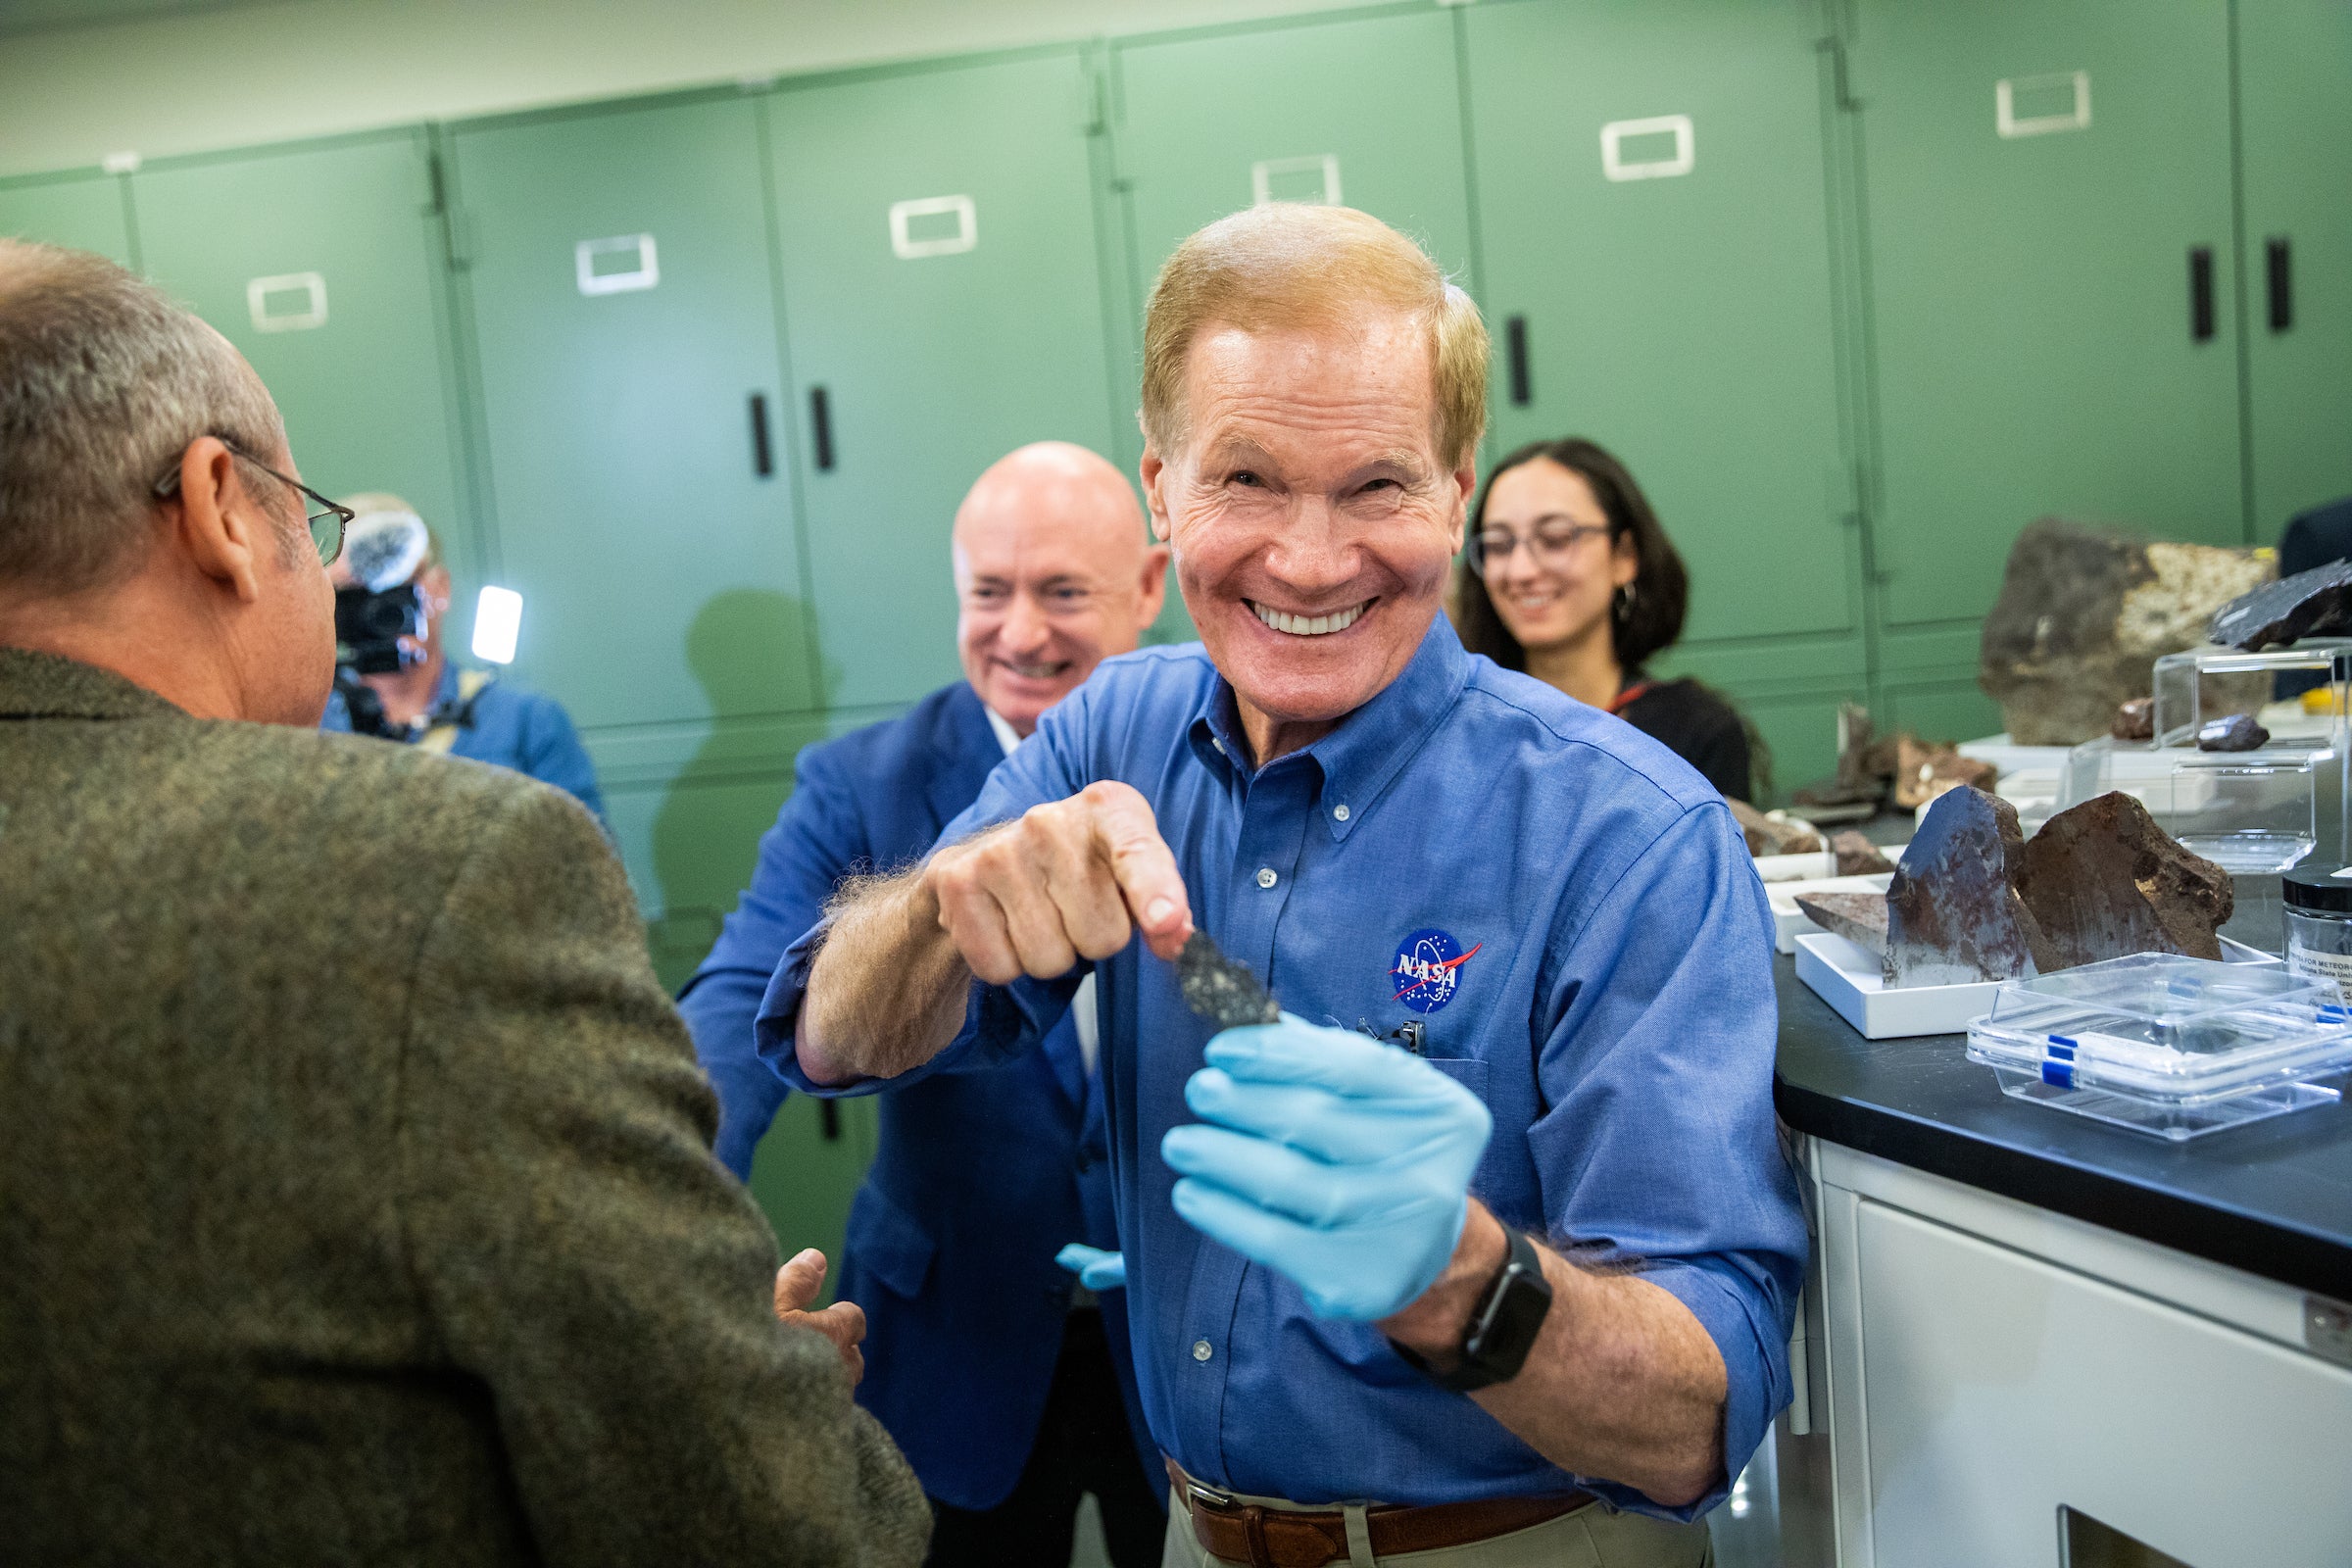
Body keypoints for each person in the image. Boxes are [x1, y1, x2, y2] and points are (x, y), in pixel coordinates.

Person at [761, 205, 1807, 1566]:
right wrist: (939, 907)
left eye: (1377, 486)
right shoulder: (1109, 737)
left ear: (1456, 483)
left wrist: (1463, 1285)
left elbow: (1700, 1419)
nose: (1312, 563)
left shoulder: (1630, 832)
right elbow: (831, 1036)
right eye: (1247, 480)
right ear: (1161, 486)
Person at [0, 239, 927, 1564]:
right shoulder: (449, 873)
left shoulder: (505, 743)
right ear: (214, 505)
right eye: (302, 519)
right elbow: (766, 1521)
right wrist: (747, 1391)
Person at [681, 441, 1169, 1567]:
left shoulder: (1224, 748)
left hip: (1191, 1343)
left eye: (1062, 592)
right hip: (954, 1334)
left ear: (1148, 586)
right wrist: (666, 1214)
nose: (1022, 634)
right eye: (989, 594)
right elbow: (741, 1000)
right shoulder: (862, 783)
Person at [1452, 436, 1756, 802]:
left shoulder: (1698, 731)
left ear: (1624, 556)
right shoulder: (1460, 733)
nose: (1520, 571)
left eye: (1555, 538)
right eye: (1499, 545)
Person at [320, 493, 604, 819]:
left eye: (396, 588)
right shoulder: (307, 726)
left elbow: (587, 859)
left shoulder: (526, 721)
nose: (378, 612)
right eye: (355, 596)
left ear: (440, 588)